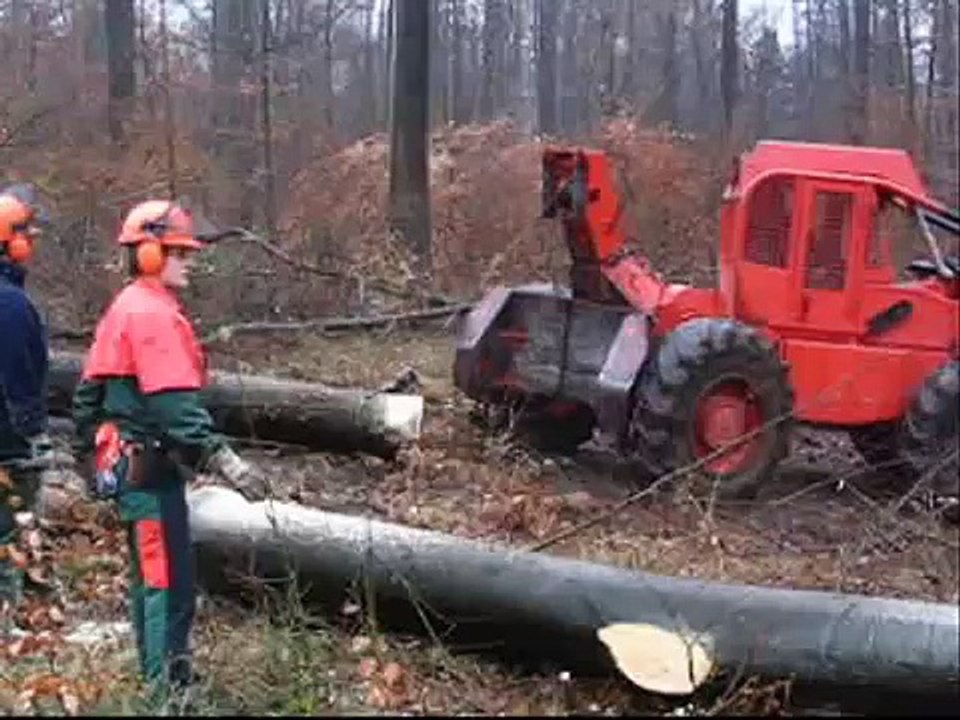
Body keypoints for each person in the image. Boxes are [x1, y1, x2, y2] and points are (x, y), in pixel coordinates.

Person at [71, 199, 268, 697]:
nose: (189, 261)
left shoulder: (125, 307)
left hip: (130, 466)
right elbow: (176, 410)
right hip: (150, 470)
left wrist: (88, 459)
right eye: (178, 252)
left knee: (150, 578)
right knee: (168, 584)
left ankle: (158, 673)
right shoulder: (152, 316)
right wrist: (225, 460)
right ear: (150, 253)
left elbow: (86, 396)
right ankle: (167, 690)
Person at [0, 184, 53, 619]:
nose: (30, 244)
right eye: (25, 235)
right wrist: (32, 433)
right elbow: (18, 376)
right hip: (8, 446)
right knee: (7, 539)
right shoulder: (11, 304)